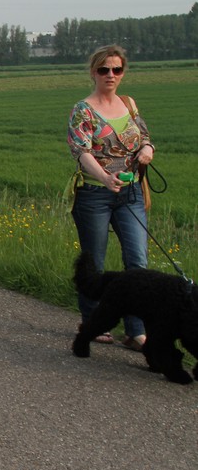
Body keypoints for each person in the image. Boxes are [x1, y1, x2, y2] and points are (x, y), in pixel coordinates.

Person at [67, 44, 155, 351]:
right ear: (93, 72)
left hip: (130, 194)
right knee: (95, 262)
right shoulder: (83, 110)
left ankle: (136, 331)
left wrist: (147, 150)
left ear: (123, 72)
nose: (111, 75)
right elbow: (81, 151)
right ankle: (93, 323)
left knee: (137, 261)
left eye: (117, 69)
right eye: (104, 69)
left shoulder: (128, 104)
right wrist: (105, 177)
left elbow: (144, 137)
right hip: (94, 194)